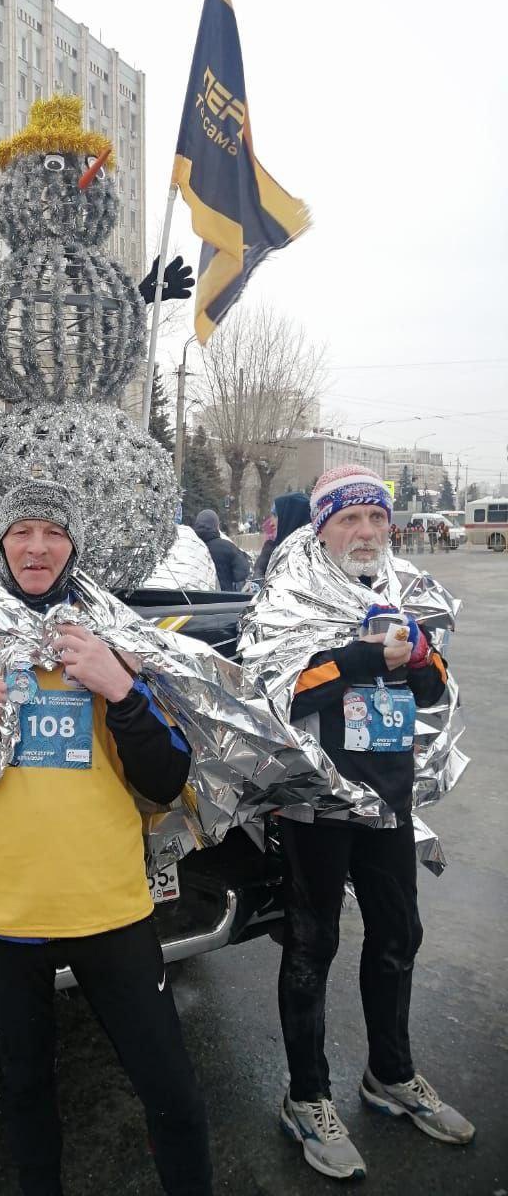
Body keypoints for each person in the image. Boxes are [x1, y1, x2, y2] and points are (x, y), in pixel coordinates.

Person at [0, 481, 213, 1196]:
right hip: (5, 907)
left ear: (73, 546)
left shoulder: (114, 638)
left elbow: (167, 776)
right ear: (0, 543)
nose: (37, 547)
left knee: (171, 1088)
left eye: (53, 532)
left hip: (108, 905)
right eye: (21, 531)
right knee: (26, 1087)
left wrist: (122, 690)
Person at [252, 466, 474, 1180]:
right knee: (313, 944)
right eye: (350, 520)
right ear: (322, 529)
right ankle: (307, 1097)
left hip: (387, 794)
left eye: (376, 519)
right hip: (315, 799)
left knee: (398, 933)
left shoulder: (402, 590)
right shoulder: (290, 592)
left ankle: (391, 1074)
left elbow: (437, 685)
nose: (367, 532)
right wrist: (350, 658)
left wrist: (417, 660)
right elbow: (269, 695)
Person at [253, 492, 310, 579]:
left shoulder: (308, 557)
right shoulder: (271, 550)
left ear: (291, 518)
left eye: (276, 515)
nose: (271, 523)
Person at [191, 508, 250, 591]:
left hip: (194, 599)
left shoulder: (191, 546)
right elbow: (242, 572)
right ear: (216, 526)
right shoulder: (228, 547)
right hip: (223, 599)